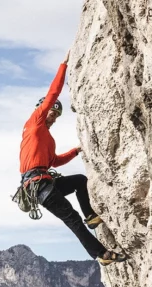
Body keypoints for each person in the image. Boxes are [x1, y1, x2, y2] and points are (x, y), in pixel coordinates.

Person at [19, 54, 128, 266]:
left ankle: (91, 217)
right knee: (72, 219)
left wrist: (75, 151)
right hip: (39, 185)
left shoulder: (46, 139)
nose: (53, 117)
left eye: (56, 116)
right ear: (42, 111)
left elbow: (54, 162)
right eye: (51, 112)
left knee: (79, 180)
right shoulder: (35, 124)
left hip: (45, 181)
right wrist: (64, 65)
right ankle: (102, 254)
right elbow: (53, 92)